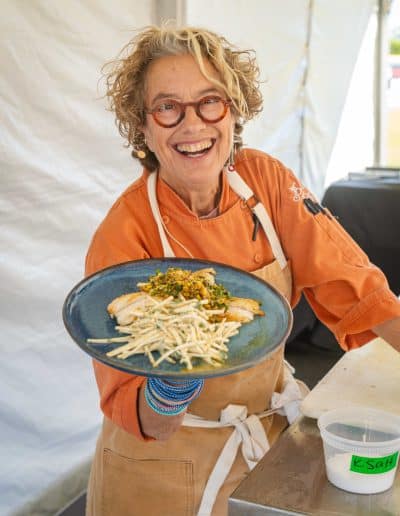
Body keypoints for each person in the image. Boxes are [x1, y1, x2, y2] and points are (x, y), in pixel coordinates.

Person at [84, 25, 400, 516]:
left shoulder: (266, 183)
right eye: (167, 107)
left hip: (261, 453)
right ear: (142, 127)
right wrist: (170, 387)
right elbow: (150, 419)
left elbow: (361, 291)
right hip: (158, 473)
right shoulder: (125, 236)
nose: (192, 125)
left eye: (209, 101)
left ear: (233, 109)